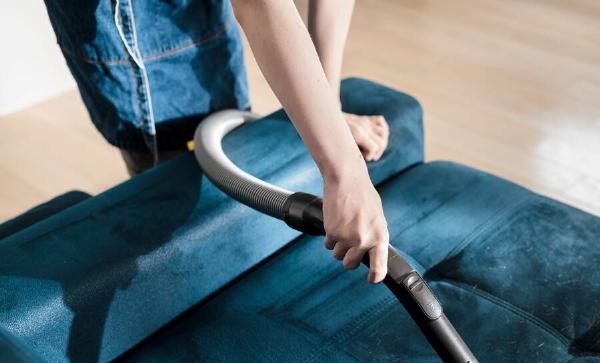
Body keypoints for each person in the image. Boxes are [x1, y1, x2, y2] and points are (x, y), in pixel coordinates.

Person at [43, 0, 390, 283]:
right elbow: (259, 6)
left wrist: (330, 103)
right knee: (172, 179)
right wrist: (346, 173)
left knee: (226, 141)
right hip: (134, 18)